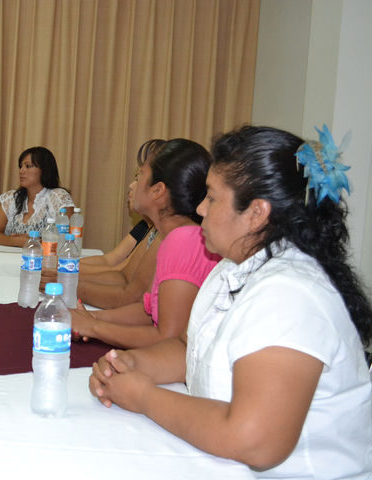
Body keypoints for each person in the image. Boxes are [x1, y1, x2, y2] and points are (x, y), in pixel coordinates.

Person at [89, 125, 372, 478]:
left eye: (212, 198)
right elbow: (189, 349)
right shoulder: (231, 267)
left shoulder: (291, 295)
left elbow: (256, 442)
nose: (200, 208)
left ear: (256, 213)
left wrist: (144, 397)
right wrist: (131, 364)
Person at [70, 138, 220, 349]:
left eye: (140, 175)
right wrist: (92, 319)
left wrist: (94, 328)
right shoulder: (172, 236)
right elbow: (149, 312)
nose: (134, 183)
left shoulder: (184, 239)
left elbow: (169, 338)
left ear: (157, 190)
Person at [75, 140, 166, 309]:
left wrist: (65, 278)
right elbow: (121, 271)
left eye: (139, 177)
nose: (131, 186)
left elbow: (130, 292)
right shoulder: (153, 229)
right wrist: (65, 271)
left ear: (158, 189)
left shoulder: (167, 234)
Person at [0, 146, 74, 247]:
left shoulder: (59, 197)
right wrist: (18, 241)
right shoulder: (11, 198)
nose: (21, 171)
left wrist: (33, 242)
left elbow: (68, 239)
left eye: (28, 166)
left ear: (44, 169)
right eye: (21, 166)